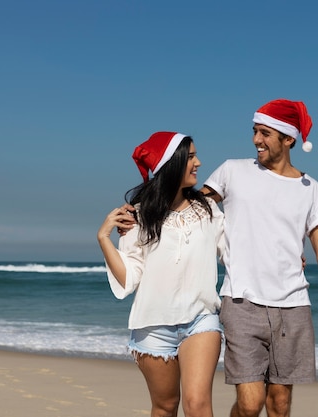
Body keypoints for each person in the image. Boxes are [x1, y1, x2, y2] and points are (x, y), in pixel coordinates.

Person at [202, 99, 318, 417]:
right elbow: (191, 208)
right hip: (241, 303)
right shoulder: (233, 171)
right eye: (255, 131)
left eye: (265, 133)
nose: (256, 139)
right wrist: (144, 215)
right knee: (250, 402)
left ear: (289, 139)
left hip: (293, 307)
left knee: (280, 403)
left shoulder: (311, 189)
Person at [97, 131, 225, 417]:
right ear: (172, 163)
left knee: (197, 405)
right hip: (152, 328)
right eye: (191, 157)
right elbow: (129, 279)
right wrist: (104, 238)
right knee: (165, 407)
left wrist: (284, 258)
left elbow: (234, 253)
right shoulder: (137, 219)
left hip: (201, 320)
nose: (199, 163)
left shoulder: (209, 211)